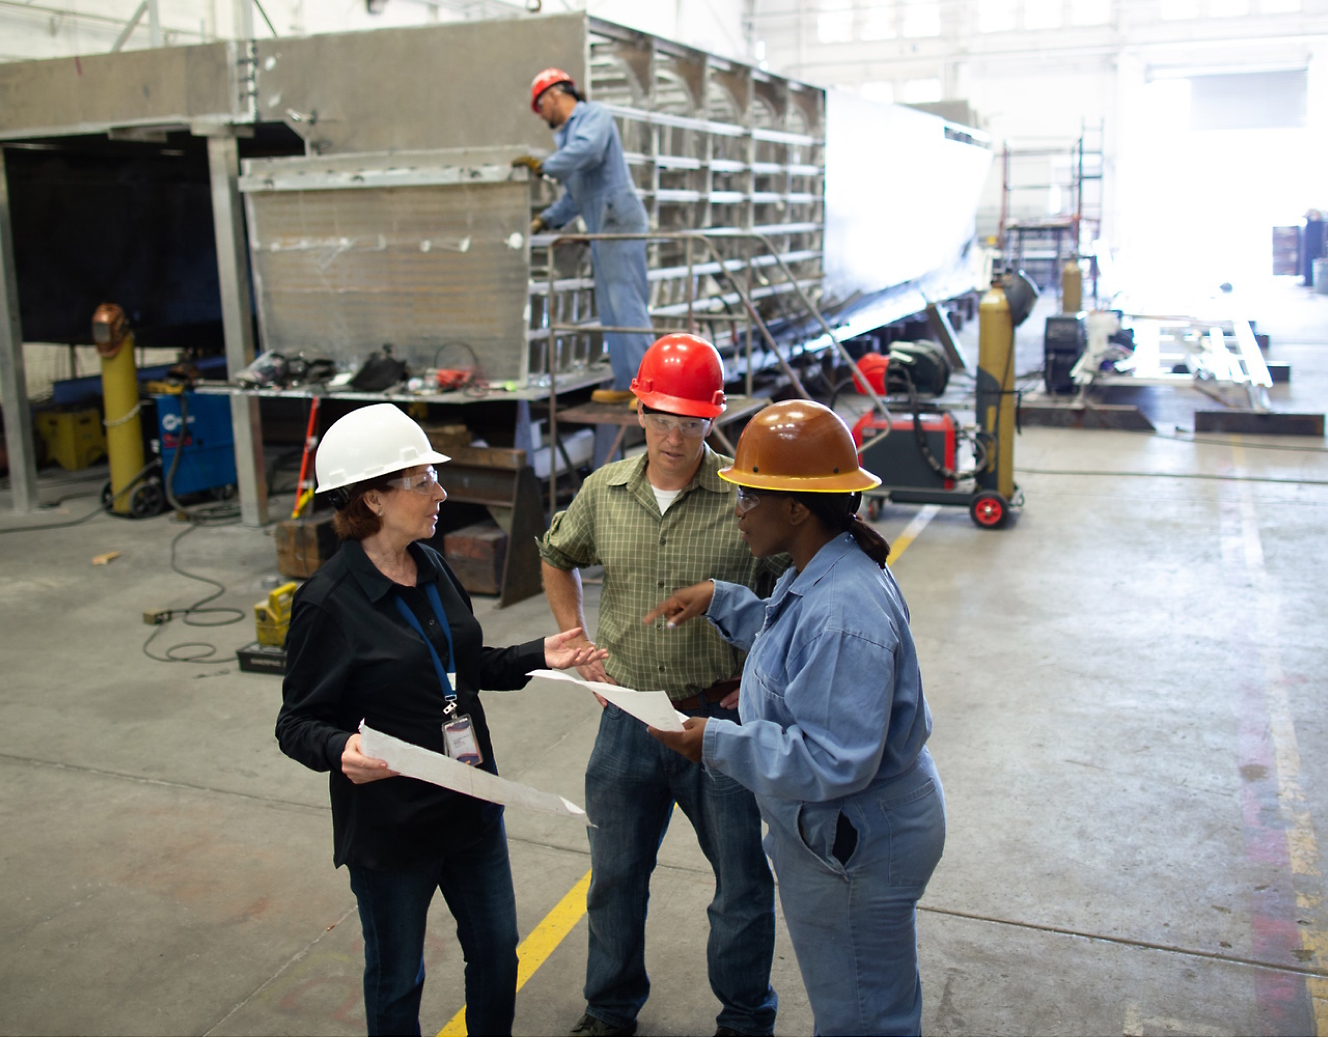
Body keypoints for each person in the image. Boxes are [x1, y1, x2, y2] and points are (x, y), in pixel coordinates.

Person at [275, 403, 607, 1037]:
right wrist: (339, 747)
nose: (441, 491)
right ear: (372, 498)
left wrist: (541, 654)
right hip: (393, 827)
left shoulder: (430, 565)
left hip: (471, 805)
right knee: (398, 978)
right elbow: (296, 723)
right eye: (422, 479)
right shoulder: (327, 603)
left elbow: (463, 667)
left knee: (494, 952)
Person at [645, 399, 947, 1037]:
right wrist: (723, 600)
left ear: (797, 508)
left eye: (750, 497)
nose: (739, 512)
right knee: (864, 992)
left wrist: (715, 743)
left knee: (864, 1014)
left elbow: (834, 757)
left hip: (856, 841)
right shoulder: (823, 567)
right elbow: (792, 647)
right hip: (845, 835)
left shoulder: (844, 609)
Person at [538, 334, 785, 1038]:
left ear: (716, 418)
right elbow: (556, 555)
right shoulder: (604, 492)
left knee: (740, 883)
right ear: (638, 411)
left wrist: (761, 677)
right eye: (661, 418)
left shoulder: (746, 500)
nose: (674, 438)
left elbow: (790, 602)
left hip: (719, 723)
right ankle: (610, 1009)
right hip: (628, 715)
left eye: (691, 422)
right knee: (615, 877)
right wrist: (577, 642)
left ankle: (745, 1019)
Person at [514, 67, 652, 403]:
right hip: (600, 226)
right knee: (609, 307)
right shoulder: (567, 139)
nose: (542, 114)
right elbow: (575, 198)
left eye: (540, 106)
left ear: (554, 95)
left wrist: (545, 166)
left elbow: (588, 151)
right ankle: (626, 384)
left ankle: (651, 389)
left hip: (618, 220)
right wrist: (544, 220)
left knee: (627, 302)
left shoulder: (594, 117)